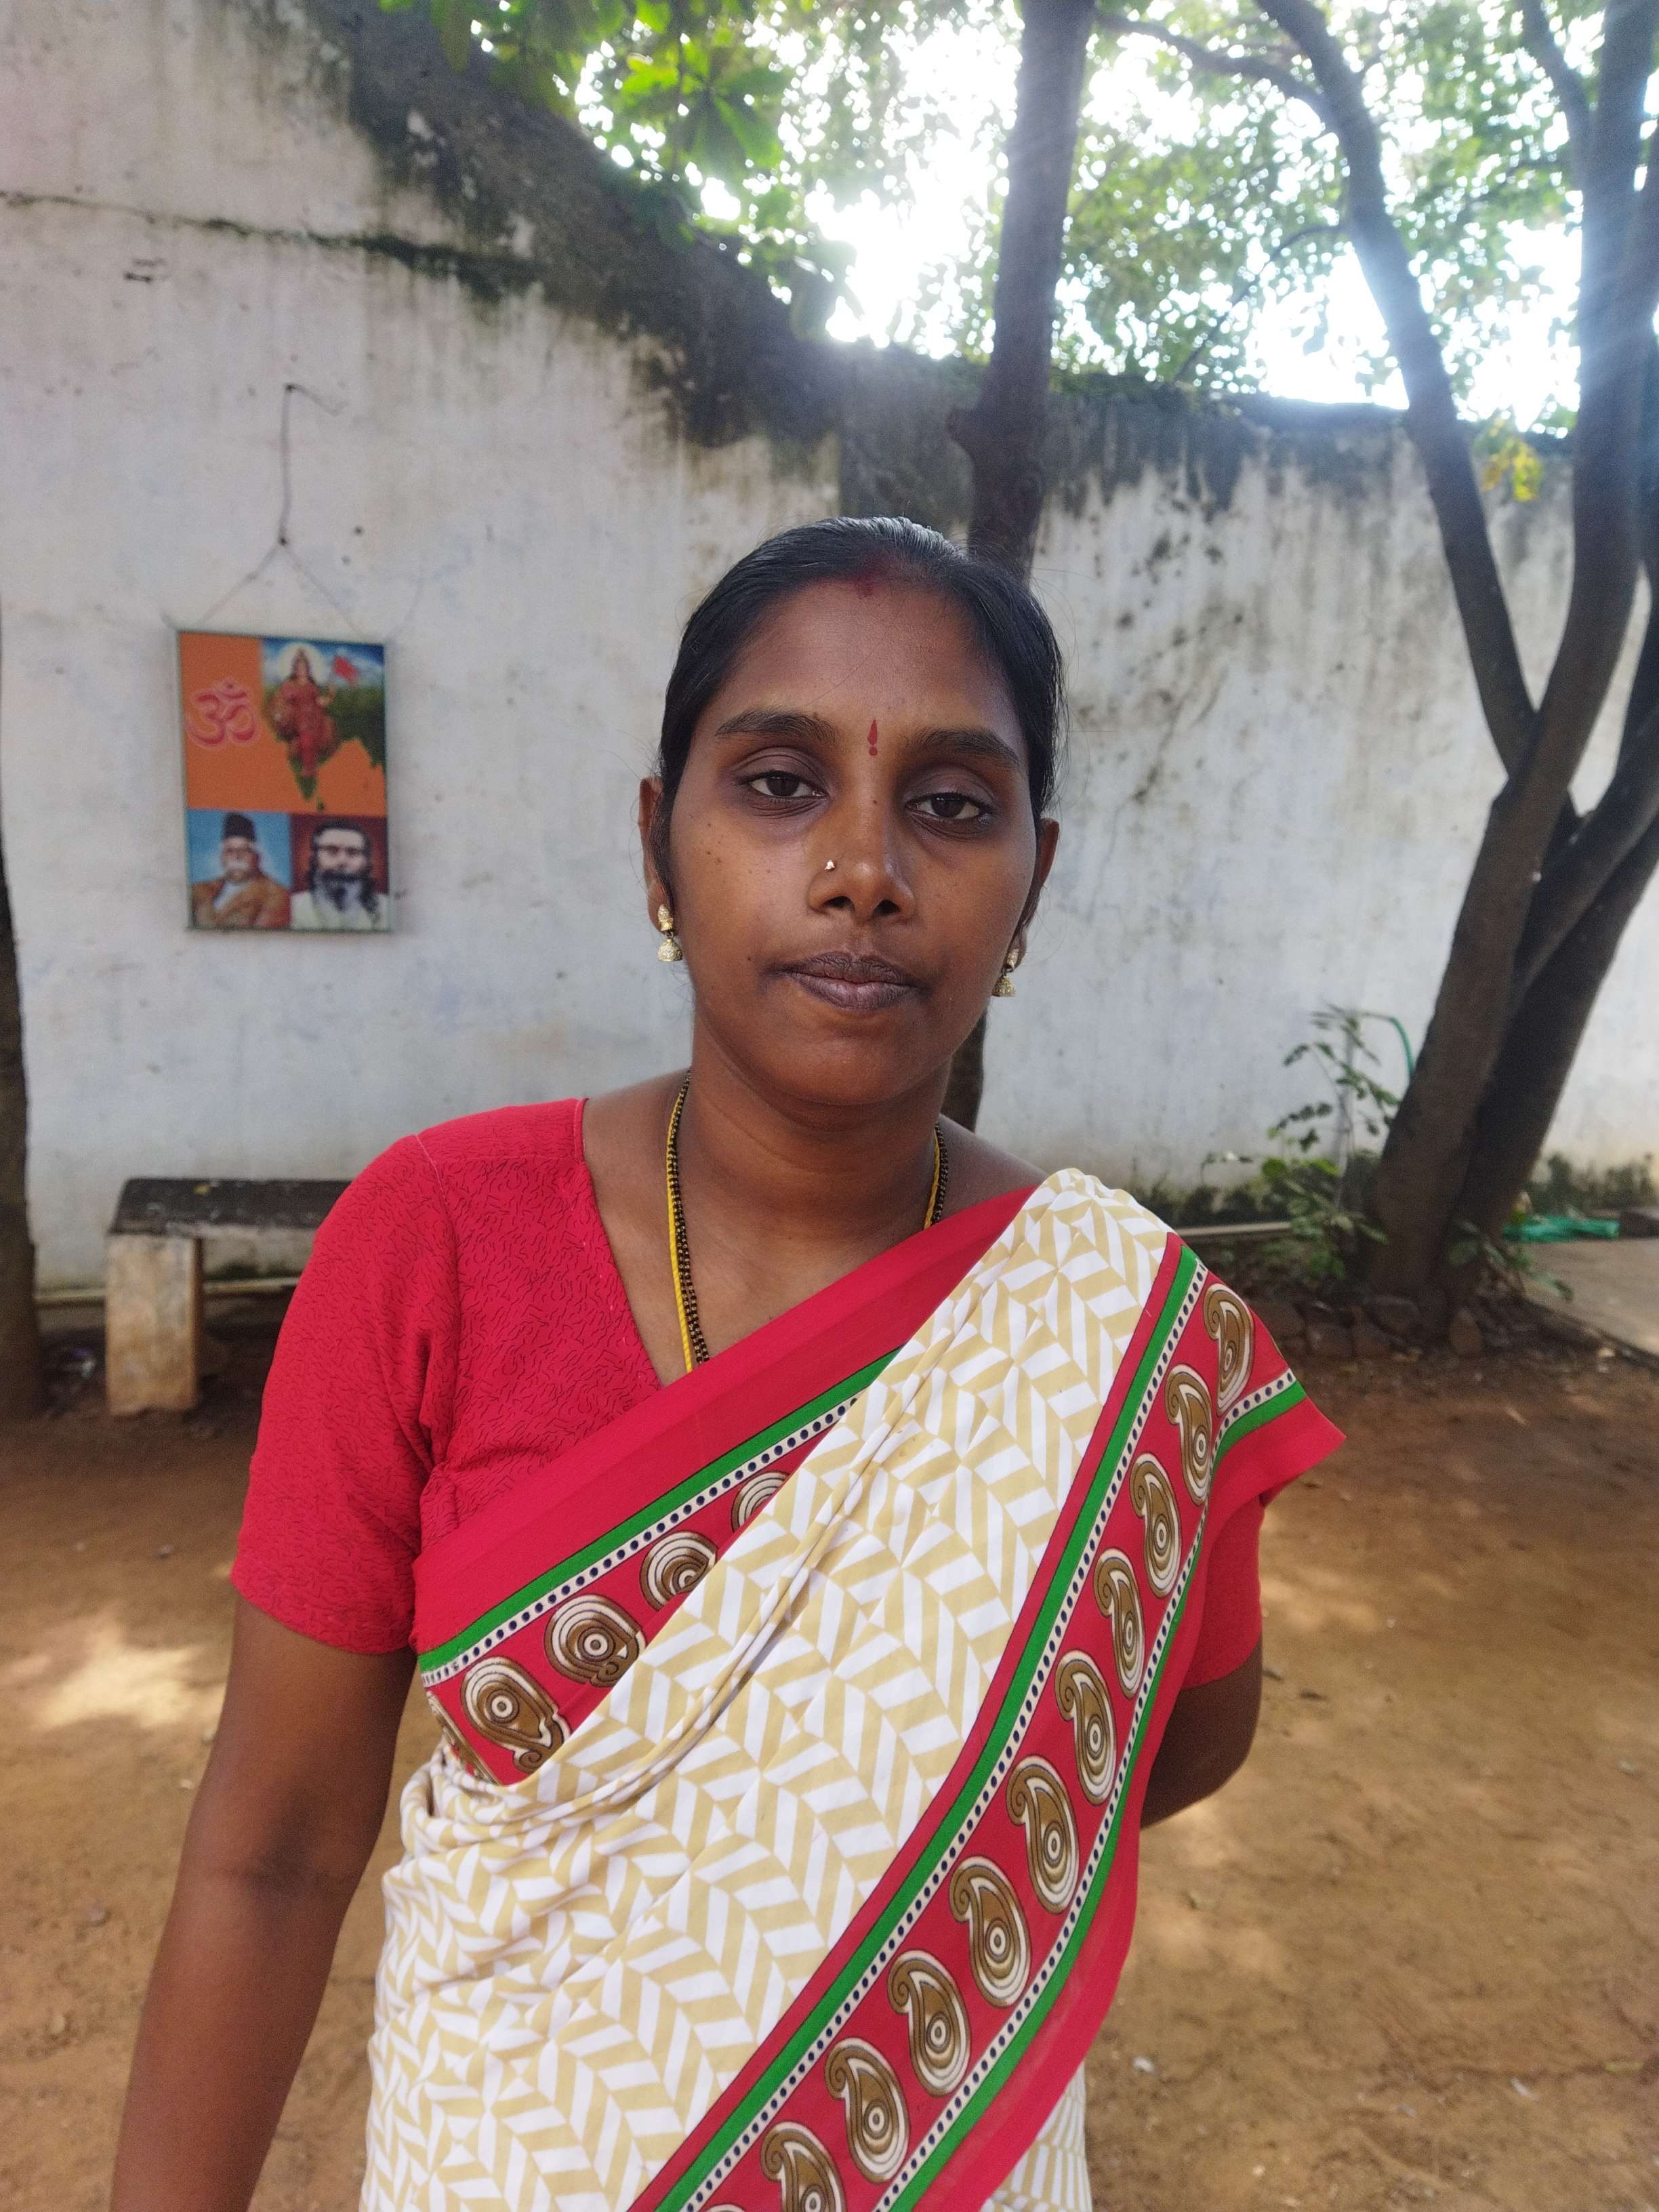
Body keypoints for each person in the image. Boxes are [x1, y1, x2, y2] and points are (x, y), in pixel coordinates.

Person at [115, 518, 1342, 2212]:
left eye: (950, 804)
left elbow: (1170, 1746)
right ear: (657, 845)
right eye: (777, 784)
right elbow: (271, 1852)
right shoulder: (441, 1240)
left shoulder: (1122, 1330)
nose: (863, 869)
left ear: (1033, 880)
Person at [189, 811, 290, 930]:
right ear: (222, 858)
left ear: (257, 857)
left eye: (244, 850)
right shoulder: (199, 890)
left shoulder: (277, 895)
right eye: (230, 851)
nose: (237, 857)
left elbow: (260, 938)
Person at [289, 821, 389, 931]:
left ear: (366, 861)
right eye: (332, 851)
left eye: (353, 852)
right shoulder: (292, 908)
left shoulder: (388, 908)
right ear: (315, 859)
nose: (342, 861)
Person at [269, 647, 339, 782]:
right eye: (299, 668)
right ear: (295, 669)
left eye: (304, 668)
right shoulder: (290, 684)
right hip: (299, 716)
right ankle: (307, 769)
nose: (302, 670)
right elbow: (282, 700)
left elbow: (319, 701)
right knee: (306, 739)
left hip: (316, 716)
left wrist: (331, 695)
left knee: (316, 739)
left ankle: (313, 768)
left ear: (308, 669)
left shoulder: (312, 685)